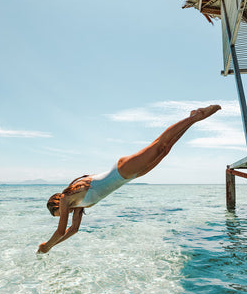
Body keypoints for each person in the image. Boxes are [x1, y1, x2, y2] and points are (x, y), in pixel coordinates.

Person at [37, 105, 221, 253]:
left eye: (59, 214)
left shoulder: (65, 199)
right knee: (165, 150)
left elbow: (61, 230)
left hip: (121, 170)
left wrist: (47, 246)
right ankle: (192, 120)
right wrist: (53, 246)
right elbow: (73, 230)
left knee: (158, 145)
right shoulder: (77, 206)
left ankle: (195, 116)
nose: (64, 214)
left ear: (55, 203)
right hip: (130, 177)